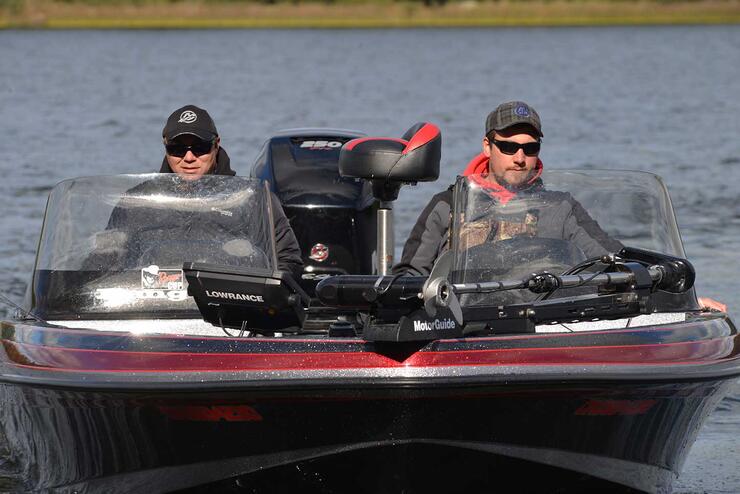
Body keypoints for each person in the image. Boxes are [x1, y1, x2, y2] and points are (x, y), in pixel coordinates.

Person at [394, 101, 726, 312]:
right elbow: (410, 274)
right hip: (462, 325)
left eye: (530, 147)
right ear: (487, 146)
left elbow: (612, 260)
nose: (520, 157)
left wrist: (686, 299)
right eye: (508, 147)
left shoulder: (560, 207)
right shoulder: (447, 205)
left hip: (543, 326)